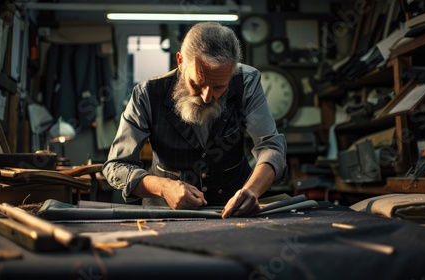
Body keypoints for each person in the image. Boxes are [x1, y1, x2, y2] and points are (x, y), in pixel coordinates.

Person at [103, 22, 288, 219]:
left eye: (219, 87)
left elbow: (271, 146)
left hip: (233, 213)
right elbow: (115, 166)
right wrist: (164, 187)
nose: (208, 97)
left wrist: (252, 190)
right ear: (180, 61)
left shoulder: (247, 82)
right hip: (165, 215)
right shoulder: (146, 94)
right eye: (198, 84)